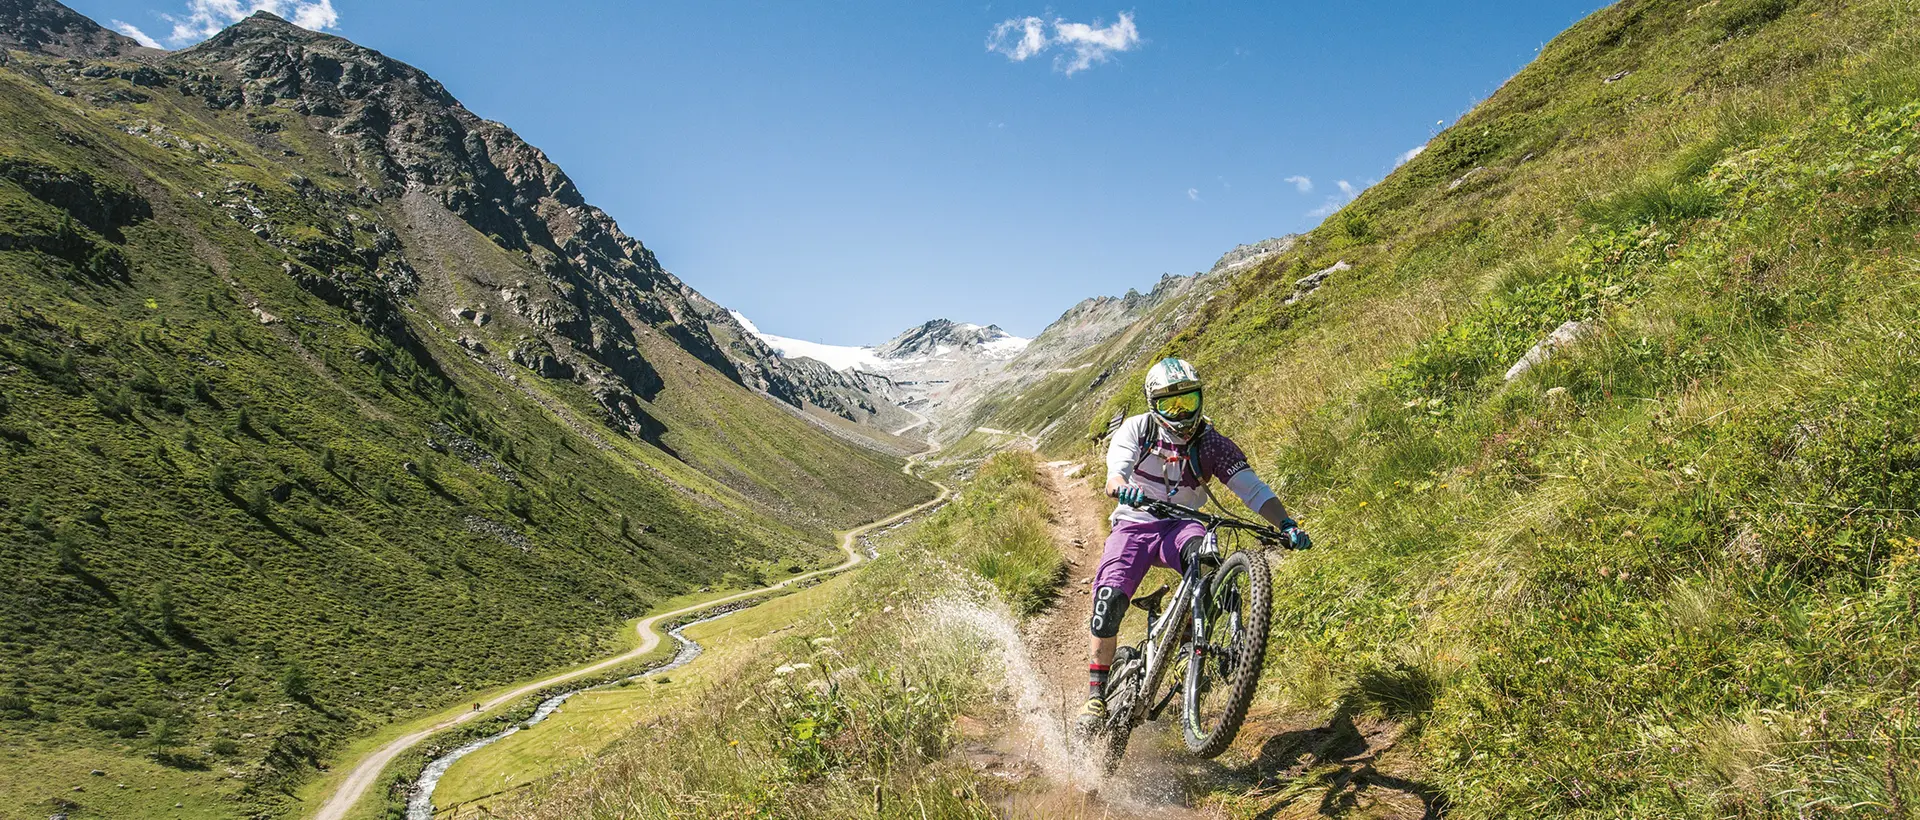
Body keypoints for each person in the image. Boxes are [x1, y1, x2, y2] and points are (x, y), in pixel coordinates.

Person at [1078, 357, 1310, 735]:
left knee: (1205, 561)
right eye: (1172, 405)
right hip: (1135, 525)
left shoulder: (1211, 444)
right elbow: (1115, 471)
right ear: (1154, 404)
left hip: (1182, 525)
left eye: (1189, 400)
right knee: (1108, 603)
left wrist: (1285, 522)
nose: (1182, 412)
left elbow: (1252, 489)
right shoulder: (1139, 430)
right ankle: (1096, 695)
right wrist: (1122, 485)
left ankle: (1188, 640)